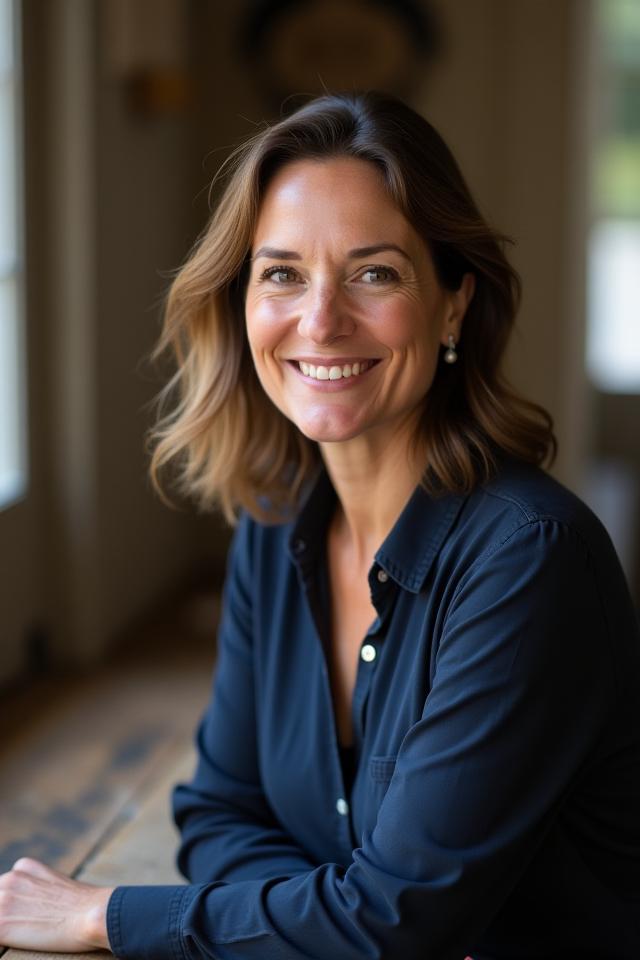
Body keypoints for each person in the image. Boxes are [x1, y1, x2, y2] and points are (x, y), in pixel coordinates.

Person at [1, 91, 639, 959]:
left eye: (375, 272)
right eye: (282, 274)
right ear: (242, 302)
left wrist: (100, 914)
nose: (321, 320)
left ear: (454, 304)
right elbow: (220, 811)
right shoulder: (277, 525)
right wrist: (317, 917)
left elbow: (397, 920)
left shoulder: (529, 558)